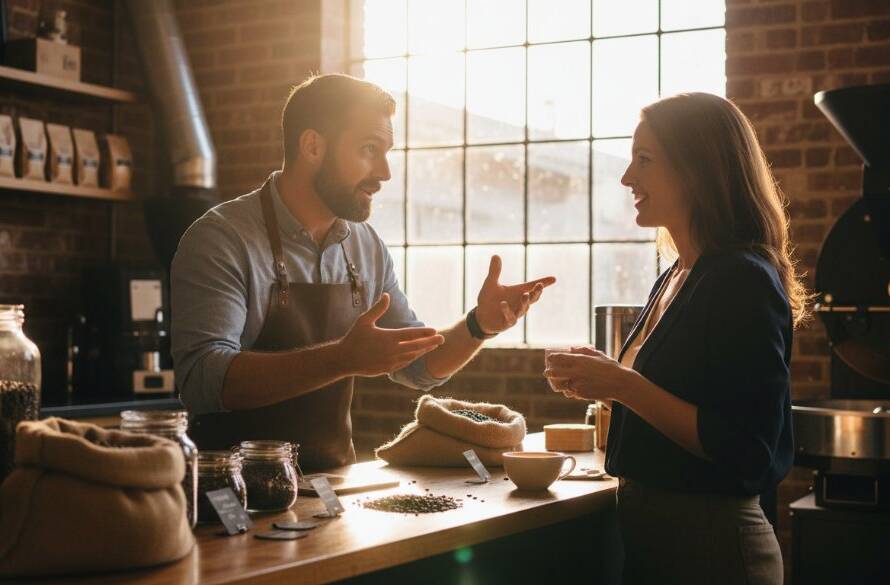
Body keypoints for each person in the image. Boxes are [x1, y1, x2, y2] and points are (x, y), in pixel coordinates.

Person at [171, 73, 555, 470]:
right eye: (369, 149)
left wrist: (479, 326)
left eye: (387, 152)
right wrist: (340, 359)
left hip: (332, 484)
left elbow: (418, 367)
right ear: (313, 146)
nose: (385, 172)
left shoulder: (365, 245)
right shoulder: (221, 239)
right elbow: (203, 380)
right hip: (233, 491)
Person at [544, 92, 808, 584]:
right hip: (656, 547)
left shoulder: (741, 278)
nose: (627, 178)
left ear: (698, 170)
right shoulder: (675, 274)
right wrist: (605, 376)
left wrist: (621, 384)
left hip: (716, 556)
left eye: (644, 160)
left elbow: (746, 447)